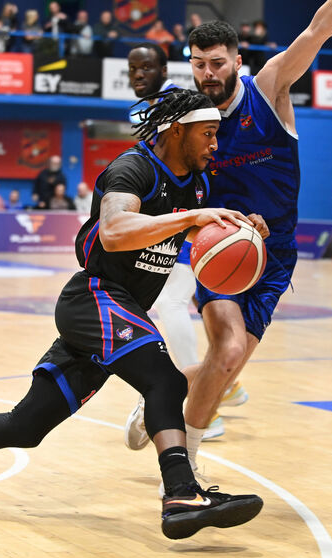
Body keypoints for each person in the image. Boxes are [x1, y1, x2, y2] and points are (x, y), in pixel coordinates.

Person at [0, 89, 264, 540]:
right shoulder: (135, 168)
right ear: (176, 130)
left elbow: (188, 236)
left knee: (23, 427)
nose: (215, 145)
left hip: (115, 314)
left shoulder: (197, 185)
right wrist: (191, 219)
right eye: (208, 133)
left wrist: (237, 231)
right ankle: (181, 491)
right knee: (164, 379)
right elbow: (115, 230)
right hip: (95, 298)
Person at [125, 2, 332, 469]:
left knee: (225, 365)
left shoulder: (269, 87)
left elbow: (318, 30)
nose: (208, 73)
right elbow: (171, 185)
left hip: (275, 256)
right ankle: (182, 470)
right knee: (228, 349)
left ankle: (161, 392)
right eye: (198, 65)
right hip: (219, 247)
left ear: (236, 61)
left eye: (217, 63)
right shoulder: (185, 114)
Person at [124, 44, 214, 446]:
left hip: (192, 209)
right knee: (168, 305)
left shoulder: (179, 104)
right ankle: (217, 381)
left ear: (164, 69)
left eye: (147, 67)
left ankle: (196, 393)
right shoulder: (138, 110)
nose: (139, 74)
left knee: (173, 304)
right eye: (133, 68)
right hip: (168, 215)